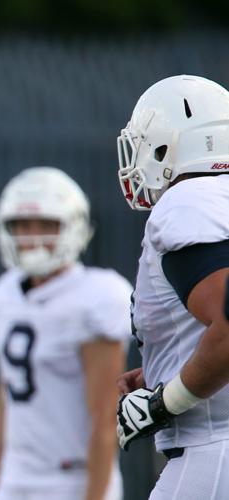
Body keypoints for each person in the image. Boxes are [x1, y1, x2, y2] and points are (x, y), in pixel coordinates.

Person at [0, 167, 131, 500]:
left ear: (73, 227)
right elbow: (4, 406)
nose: (32, 236)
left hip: (72, 479)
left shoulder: (94, 297)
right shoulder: (4, 296)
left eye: (46, 225)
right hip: (15, 477)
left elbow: (104, 417)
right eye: (23, 225)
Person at [115, 75, 229, 499]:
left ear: (167, 147)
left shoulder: (189, 202)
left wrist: (166, 401)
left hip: (213, 450)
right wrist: (169, 365)